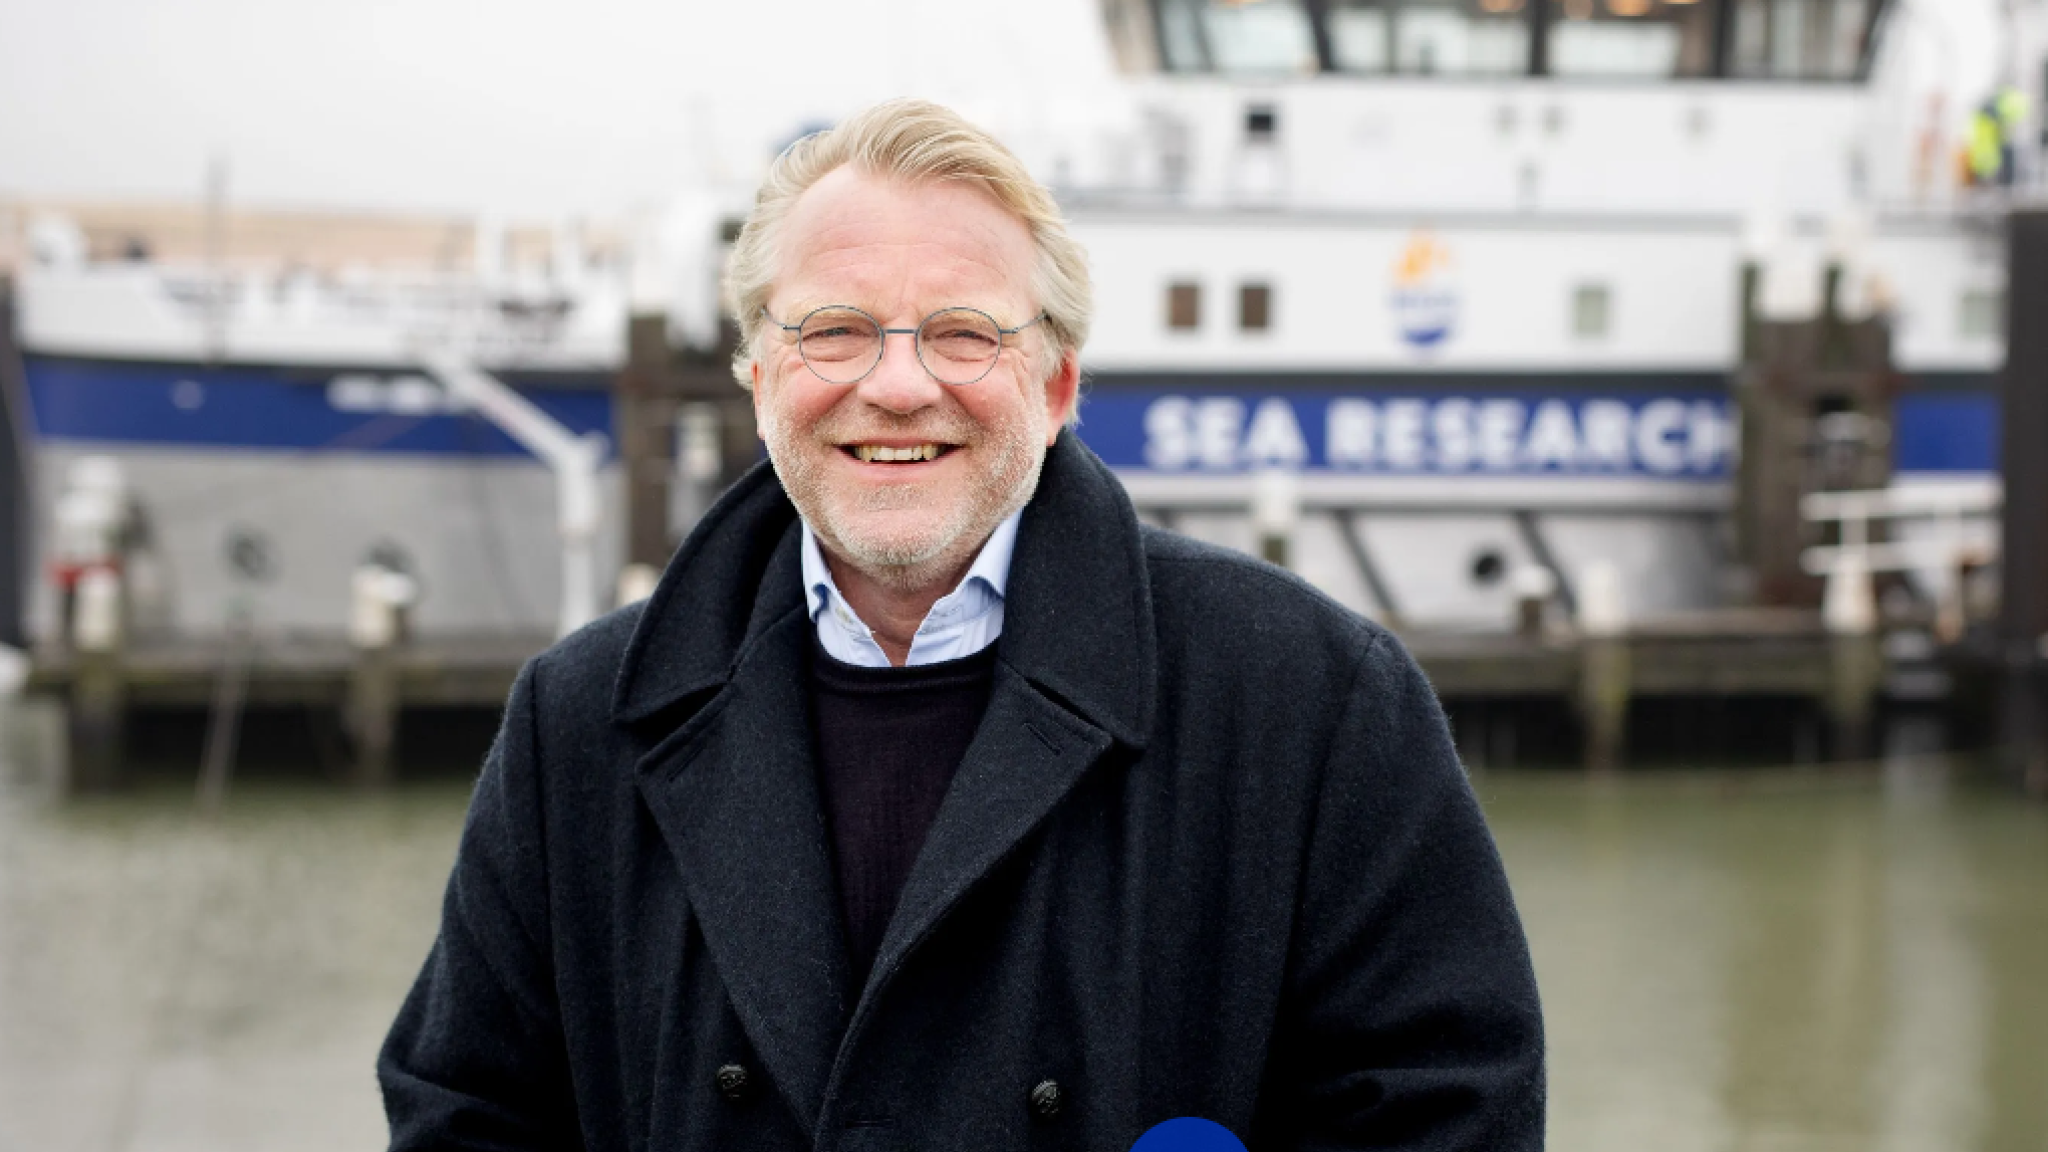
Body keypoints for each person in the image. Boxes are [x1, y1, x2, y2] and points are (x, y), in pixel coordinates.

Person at [379, 98, 1544, 1151]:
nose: (894, 386)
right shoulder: (579, 723)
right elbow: (465, 1114)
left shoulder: (1311, 702)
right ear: (755, 374)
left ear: (1054, 385)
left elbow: (1448, 1113)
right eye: (832, 330)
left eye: (963, 333)